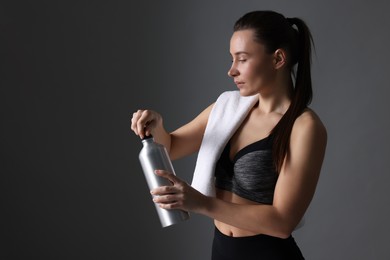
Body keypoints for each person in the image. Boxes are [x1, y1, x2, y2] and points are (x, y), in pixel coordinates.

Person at [131, 10, 327, 260]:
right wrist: (157, 126)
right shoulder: (226, 108)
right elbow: (171, 147)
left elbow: (282, 222)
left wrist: (200, 203)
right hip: (222, 250)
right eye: (232, 59)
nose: (231, 71)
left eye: (242, 59)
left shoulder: (304, 127)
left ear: (278, 59)